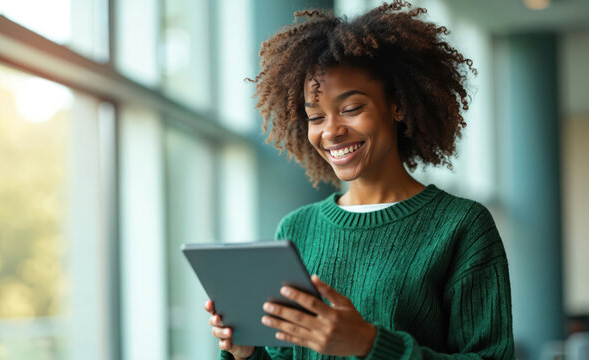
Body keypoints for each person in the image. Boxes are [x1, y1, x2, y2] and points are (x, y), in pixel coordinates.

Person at [204, 1, 514, 359]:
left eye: (352, 109)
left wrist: (370, 345)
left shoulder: (461, 226)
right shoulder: (296, 229)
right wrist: (246, 352)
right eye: (316, 117)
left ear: (397, 105)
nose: (332, 131)